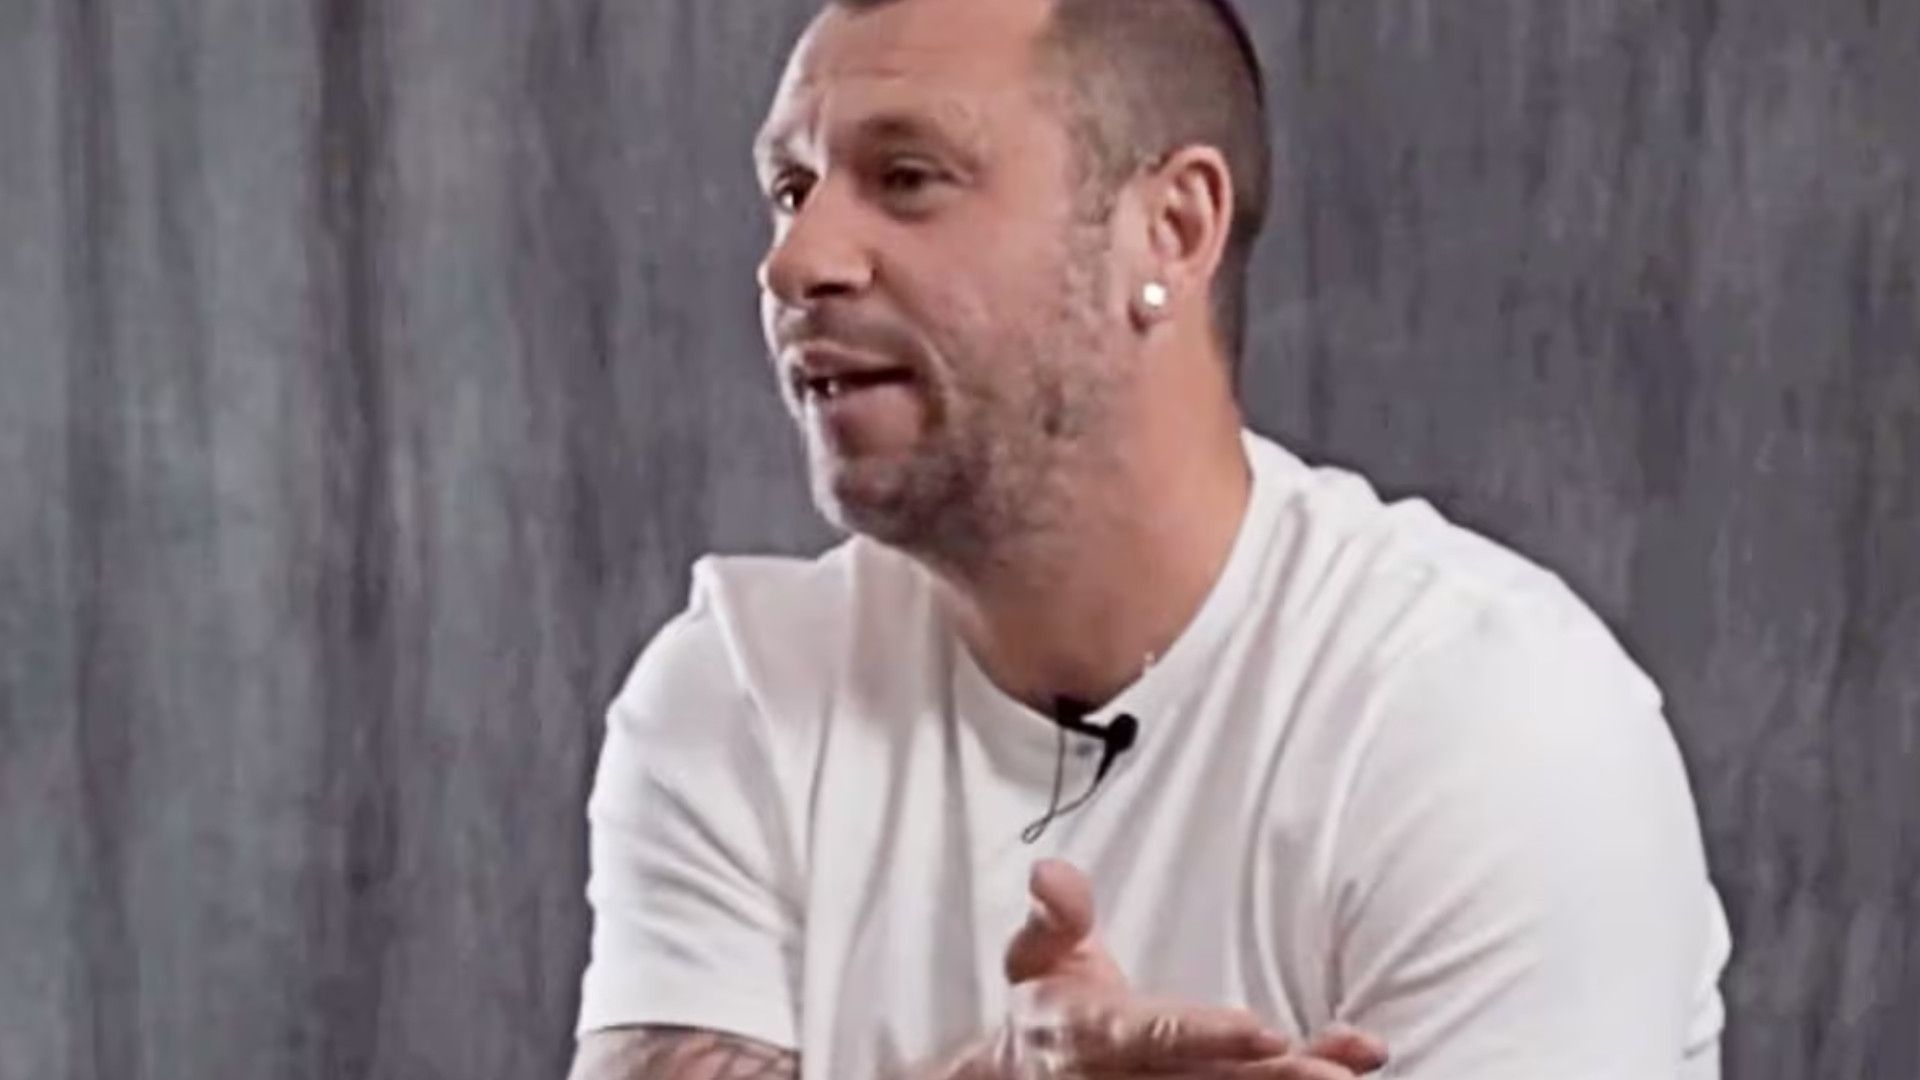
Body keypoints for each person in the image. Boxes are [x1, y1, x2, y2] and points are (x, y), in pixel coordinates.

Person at [569, 0, 1733, 1076]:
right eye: (791, 189)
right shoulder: (741, 692)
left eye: (908, 178)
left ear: (1171, 230)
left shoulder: (1490, 723)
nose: (795, 262)